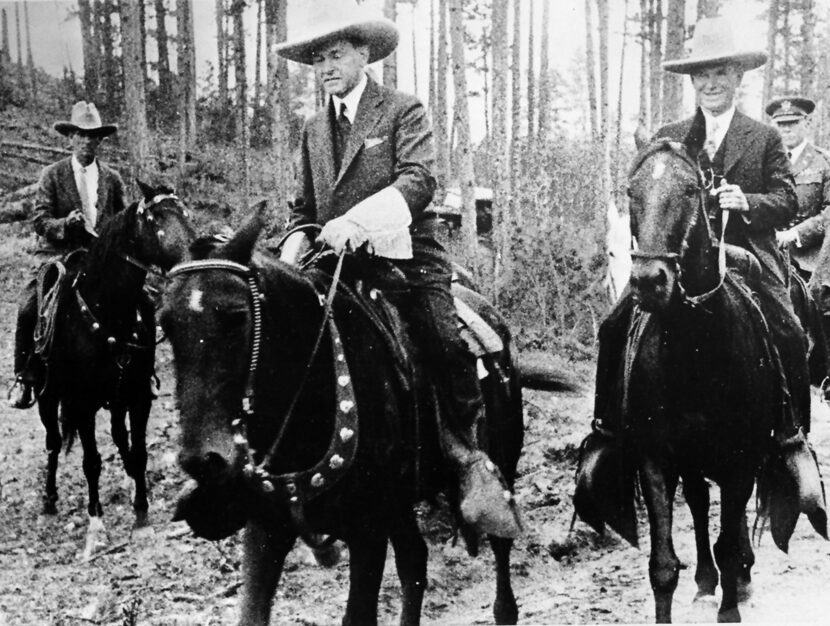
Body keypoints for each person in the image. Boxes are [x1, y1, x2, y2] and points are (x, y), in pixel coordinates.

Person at [274, 1, 519, 538]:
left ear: (363, 54)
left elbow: (418, 181)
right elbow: (303, 208)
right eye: (318, 60)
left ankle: (464, 457)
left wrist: (358, 222)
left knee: (441, 336)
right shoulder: (313, 128)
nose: (326, 68)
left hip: (405, 259)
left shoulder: (402, 110)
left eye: (335, 55)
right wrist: (294, 248)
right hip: (332, 267)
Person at [590, 17, 821, 505]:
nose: (711, 84)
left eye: (720, 74)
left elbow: (789, 200)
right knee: (614, 327)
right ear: (692, 82)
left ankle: (791, 441)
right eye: (702, 76)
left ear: (738, 78)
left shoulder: (762, 137)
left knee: (790, 330)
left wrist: (748, 202)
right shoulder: (669, 134)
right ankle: (607, 436)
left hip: (747, 253)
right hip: (682, 260)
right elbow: (650, 199)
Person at [8, 101, 126, 409]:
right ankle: (25, 376)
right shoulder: (52, 174)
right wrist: (64, 224)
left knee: (137, 304)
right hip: (58, 258)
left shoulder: (112, 178)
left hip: (98, 260)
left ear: (100, 140)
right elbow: (39, 219)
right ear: (70, 138)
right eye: (81, 135)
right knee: (28, 308)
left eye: (93, 136)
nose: (87, 141)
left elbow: (123, 219)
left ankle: (134, 375)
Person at [767, 96, 830, 279]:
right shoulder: (763, 163)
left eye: (793, 123)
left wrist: (796, 233)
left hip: (810, 258)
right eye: (781, 124)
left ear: (807, 123)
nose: (786, 129)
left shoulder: (824, 162)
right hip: (768, 253)